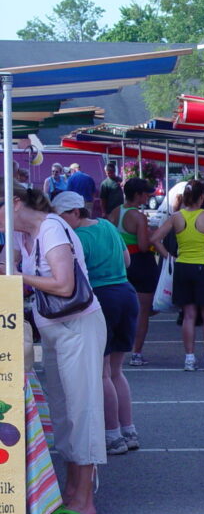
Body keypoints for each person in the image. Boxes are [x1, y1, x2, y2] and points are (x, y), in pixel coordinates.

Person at [0, 185, 105, 514]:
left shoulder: (50, 227)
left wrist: (15, 275)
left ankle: (84, 500)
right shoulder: (24, 235)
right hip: (55, 327)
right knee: (63, 411)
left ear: (15, 202)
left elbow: (65, 285)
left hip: (78, 325)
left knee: (82, 408)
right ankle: (73, 492)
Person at [53, 192, 140, 455]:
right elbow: (127, 260)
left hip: (103, 299)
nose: (59, 222)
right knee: (116, 371)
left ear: (76, 213)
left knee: (102, 373)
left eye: (62, 216)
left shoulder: (76, 237)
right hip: (126, 293)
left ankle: (112, 435)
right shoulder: (107, 226)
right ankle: (128, 430)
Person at [152, 179, 204, 371]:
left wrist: (169, 256)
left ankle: (189, 359)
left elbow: (155, 238)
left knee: (188, 315)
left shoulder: (176, 217)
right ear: (202, 197)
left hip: (182, 266)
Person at [109, 178, 159, 367]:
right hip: (140, 263)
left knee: (121, 309)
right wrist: (153, 235)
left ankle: (116, 348)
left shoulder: (115, 212)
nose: (147, 196)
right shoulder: (138, 216)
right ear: (137, 195)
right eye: (145, 193)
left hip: (120, 263)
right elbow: (144, 246)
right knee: (143, 312)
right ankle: (136, 352)